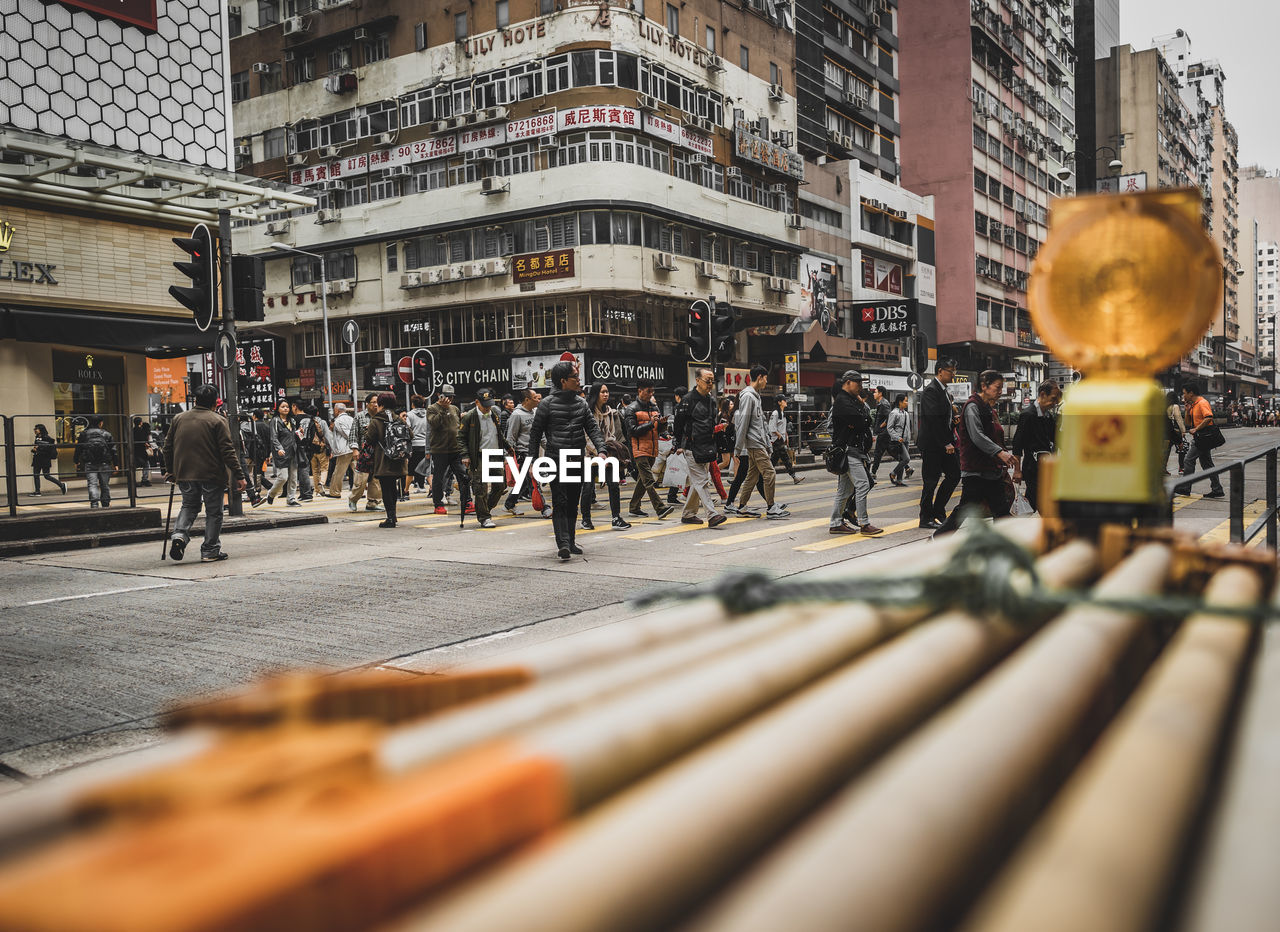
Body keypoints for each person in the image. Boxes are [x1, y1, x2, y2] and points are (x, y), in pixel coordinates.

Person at [526, 361, 607, 560]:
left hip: (577, 459)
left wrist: (602, 450)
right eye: (575, 378)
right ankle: (562, 543)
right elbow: (535, 435)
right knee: (560, 501)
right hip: (556, 459)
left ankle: (570, 541)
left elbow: (592, 428)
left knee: (572, 502)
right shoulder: (546, 404)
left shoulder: (581, 403)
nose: (579, 381)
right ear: (563, 381)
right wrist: (532, 462)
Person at [163, 383, 248, 562]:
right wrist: (239, 475)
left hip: (185, 472)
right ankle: (210, 550)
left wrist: (170, 470)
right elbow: (228, 451)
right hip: (211, 473)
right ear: (215, 403)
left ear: (196, 400)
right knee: (214, 512)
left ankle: (179, 535)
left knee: (189, 505)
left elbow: (167, 447)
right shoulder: (217, 420)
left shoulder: (179, 418)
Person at [935, 370, 1021, 533]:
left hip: (991, 472)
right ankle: (936, 539)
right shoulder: (973, 406)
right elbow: (977, 436)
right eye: (997, 388)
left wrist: (1003, 456)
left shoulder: (988, 409)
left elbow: (994, 436)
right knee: (963, 512)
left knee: (1001, 511)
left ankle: (1001, 546)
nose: (1000, 392)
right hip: (976, 472)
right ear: (984, 386)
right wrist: (999, 453)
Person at [731, 365, 789, 519]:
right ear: (760, 377)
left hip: (758, 442)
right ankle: (771, 507)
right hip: (754, 443)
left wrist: (767, 443)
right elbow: (743, 422)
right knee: (770, 473)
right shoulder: (749, 396)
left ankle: (742, 507)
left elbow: (761, 423)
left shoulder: (755, 396)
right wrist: (738, 448)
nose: (766, 381)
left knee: (752, 476)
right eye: (765, 378)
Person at [828, 371, 882, 535]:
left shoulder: (851, 400)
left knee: (844, 491)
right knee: (863, 484)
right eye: (858, 383)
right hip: (848, 451)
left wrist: (862, 416)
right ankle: (864, 524)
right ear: (848, 382)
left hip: (852, 450)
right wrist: (862, 418)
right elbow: (861, 422)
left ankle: (836, 523)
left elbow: (866, 421)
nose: (860, 386)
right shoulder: (843, 401)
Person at [674, 367, 728, 528]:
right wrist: (678, 444)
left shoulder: (712, 400)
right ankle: (712, 515)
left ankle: (688, 514)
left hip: (708, 447)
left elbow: (713, 424)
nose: (710, 384)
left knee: (698, 482)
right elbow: (678, 424)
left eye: (713, 381)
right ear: (697, 381)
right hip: (691, 447)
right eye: (707, 380)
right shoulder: (687, 400)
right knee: (702, 481)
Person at [918, 357, 962, 529]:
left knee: (954, 475)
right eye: (951, 371)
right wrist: (945, 442)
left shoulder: (944, 391)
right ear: (940, 371)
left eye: (954, 371)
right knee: (930, 482)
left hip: (945, 443)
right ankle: (925, 517)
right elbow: (932, 420)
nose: (953, 374)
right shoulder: (931, 390)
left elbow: (943, 419)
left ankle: (938, 511)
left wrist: (953, 421)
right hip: (933, 445)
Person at [581, 382, 631, 530]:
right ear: (596, 394)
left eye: (607, 392)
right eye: (602, 392)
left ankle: (616, 518)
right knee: (588, 488)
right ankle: (586, 519)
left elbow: (611, 434)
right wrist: (599, 453)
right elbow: (586, 437)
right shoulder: (587, 411)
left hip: (607, 453)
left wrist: (609, 452)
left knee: (614, 485)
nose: (605, 394)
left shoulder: (610, 411)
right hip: (589, 456)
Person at [624, 380, 676, 519]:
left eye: (653, 391)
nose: (651, 394)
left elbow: (658, 430)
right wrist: (650, 423)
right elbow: (632, 431)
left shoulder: (654, 407)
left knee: (643, 480)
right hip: (639, 449)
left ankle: (634, 507)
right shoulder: (631, 409)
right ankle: (660, 508)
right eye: (649, 391)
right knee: (648, 480)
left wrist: (662, 424)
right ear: (640, 390)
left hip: (653, 449)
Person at [461, 387, 508, 529]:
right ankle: (484, 517)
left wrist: (507, 448)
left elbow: (499, 434)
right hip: (479, 456)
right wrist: (465, 455)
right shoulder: (470, 416)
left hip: (494, 455)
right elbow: (461, 437)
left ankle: (484, 507)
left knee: (500, 486)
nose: (488, 408)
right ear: (477, 402)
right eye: (485, 405)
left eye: (489, 405)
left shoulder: (494, 413)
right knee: (480, 488)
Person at [1011, 381, 1061, 511]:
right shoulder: (1028, 415)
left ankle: (1020, 525)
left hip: (1045, 468)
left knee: (1034, 503)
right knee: (1044, 505)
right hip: (1032, 468)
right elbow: (1017, 443)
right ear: (1043, 394)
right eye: (1053, 399)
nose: (1055, 403)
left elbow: (1056, 438)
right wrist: (1017, 470)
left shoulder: (1047, 415)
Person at [504, 389, 550, 517]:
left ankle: (509, 504)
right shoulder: (516, 415)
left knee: (523, 482)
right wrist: (507, 457)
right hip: (522, 453)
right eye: (535, 397)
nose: (538, 400)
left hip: (534, 452)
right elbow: (511, 437)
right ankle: (545, 508)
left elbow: (540, 435)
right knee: (533, 479)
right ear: (527, 400)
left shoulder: (535, 412)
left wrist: (550, 448)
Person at [366, 392, 409, 528]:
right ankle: (393, 516)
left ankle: (390, 518)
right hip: (398, 458)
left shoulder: (376, 420)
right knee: (393, 488)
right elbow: (410, 434)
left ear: (381, 404)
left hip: (384, 460)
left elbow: (370, 439)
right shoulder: (398, 419)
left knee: (386, 489)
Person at [427, 384, 472, 516]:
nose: (449, 399)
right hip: (439, 450)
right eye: (446, 396)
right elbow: (434, 424)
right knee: (439, 478)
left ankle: (467, 501)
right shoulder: (432, 408)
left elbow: (459, 426)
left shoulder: (455, 408)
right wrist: (443, 409)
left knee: (463, 476)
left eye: (451, 397)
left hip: (456, 449)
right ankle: (438, 504)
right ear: (439, 395)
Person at [1178, 381, 1225, 498]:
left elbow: (1209, 417)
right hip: (1201, 437)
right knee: (1207, 464)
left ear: (1191, 393)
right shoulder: (1193, 405)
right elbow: (1188, 423)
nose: (1183, 395)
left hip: (1202, 437)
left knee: (1188, 460)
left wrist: (1196, 429)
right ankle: (1217, 488)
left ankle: (1185, 487)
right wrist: (1187, 410)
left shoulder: (1202, 403)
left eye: (1184, 393)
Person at [349, 393, 384, 512]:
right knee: (361, 480)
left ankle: (373, 502)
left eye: (377, 402)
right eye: (373, 402)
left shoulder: (381, 417)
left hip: (378, 453)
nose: (376, 405)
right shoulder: (359, 417)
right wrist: (355, 449)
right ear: (367, 404)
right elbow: (353, 434)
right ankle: (353, 499)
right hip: (363, 454)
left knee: (376, 480)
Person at [74, 415, 117, 508]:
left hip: (89, 463)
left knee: (92, 485)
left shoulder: (84, 434)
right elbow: (113, 450)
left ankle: (94, 504)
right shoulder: (107, 434)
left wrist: (76, 461)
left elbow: (78, 449)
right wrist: (116, 464)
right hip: (105, 463)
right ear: (100, 423)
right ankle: (105, 504)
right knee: (105, 485)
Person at [265, 399, 301, 506]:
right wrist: (279, 448)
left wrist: (300, 433)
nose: (285, 408)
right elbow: (273, 437)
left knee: (293, 478)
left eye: (287, 407)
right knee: (283, 477)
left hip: (293, 452)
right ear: (278, 409)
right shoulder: (275, 421)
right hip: (281, 453)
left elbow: (294, 436)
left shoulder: (292, 421)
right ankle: (271, 494)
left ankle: (291, 499)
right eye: (283, 407)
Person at [768, 395, 804, 485]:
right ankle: (794, 476)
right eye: (784, 400)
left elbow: (782, 427)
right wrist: (779, 435)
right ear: (779, 402)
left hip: (781, 439)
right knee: (785, 458)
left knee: (773, 460)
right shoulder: (776, 413)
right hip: (777, 440)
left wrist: (785, 436)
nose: (785, 402)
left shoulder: (782, 413)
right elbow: (771, 427)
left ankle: (762, 476)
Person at [325, 403, 356, 502]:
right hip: (353, 449)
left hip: (344, 450)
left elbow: (347, 434)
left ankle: (335, 492)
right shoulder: (352, 419)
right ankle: (358, 491)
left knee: (338, 472)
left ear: (337, 411)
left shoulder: (338, 420)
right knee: (357, 471)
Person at [884, 394, 913, 486]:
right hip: (898, 441)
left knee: (902, 460)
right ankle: (893, 473)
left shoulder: (906, 413)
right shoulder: (894, 413)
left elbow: (908, 427)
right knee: (906, 459)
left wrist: (908, 438)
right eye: (905, 401)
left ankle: (899, 480)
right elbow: (889, 428)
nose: (907, 403)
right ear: (900, 402)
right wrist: (897, 437)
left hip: (906, 440)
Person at [30, 424, 66, 495]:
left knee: (46, 475)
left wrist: (38, 449)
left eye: (36, 429)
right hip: (37, 458)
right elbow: (36, 447)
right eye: (35, 429)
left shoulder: (48, 438)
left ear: (41, 430)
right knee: (36, 475)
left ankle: (61, 485)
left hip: (44, 459)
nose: (35, 430)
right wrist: (34, 450)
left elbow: (48, 449)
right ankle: (37, 491)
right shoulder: (37, 437)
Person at [406, 394, 431, 495]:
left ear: (413, 404)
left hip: (414, 446)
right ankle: (432, 489)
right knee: (428, 469)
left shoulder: (410, 415)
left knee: (410, 470)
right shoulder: (428, 414)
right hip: (426, 446)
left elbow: (407, 430)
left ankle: (406, 491)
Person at [869, 386, 893, 479]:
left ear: (880, 393)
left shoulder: (884, 404)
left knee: (877, 453)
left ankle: (873, 472)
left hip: (883, 433)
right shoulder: (881, 403)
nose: (873, 394)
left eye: (875, 392)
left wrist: (883, 425)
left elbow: (889, 417)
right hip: (884, 433)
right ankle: (907, 467)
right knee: (892, 451)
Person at [1164, 390, 1186, 476]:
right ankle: (1181, 467)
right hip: (1176, 431)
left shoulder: (1164, 406)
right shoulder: (1175, 406)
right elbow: (1179, 419)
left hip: (1167, 432)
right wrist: (1183, 430)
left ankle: (1163, 468)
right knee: (1181, 449)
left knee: (1167, 450)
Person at [132, 416, 153, 487]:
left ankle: (133, 481)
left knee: (134, 466)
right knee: (146, 464)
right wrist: (147, 445)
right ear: (140, 422)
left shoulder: (132, 430)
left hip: (134, 450)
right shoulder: (141, 431)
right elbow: (143, 440)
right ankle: (144, 480)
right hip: (141, 451)